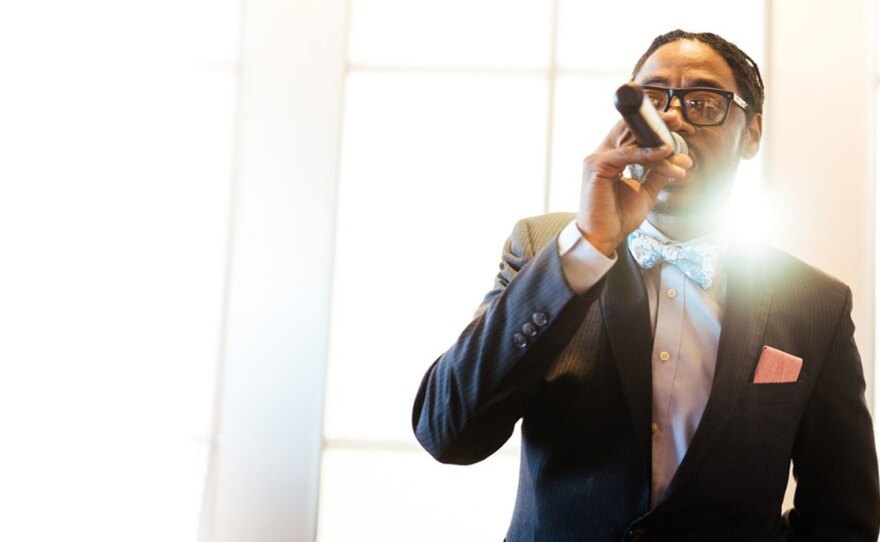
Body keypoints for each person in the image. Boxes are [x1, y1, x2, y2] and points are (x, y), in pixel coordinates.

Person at [411, 30, 880, 541]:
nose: (672, 119)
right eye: (653, 100)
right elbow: (447, 431)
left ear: (751, 134)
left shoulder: (816, 304)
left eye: (703, 102)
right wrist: (589, 245)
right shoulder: (542, 246)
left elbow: (843, 518)